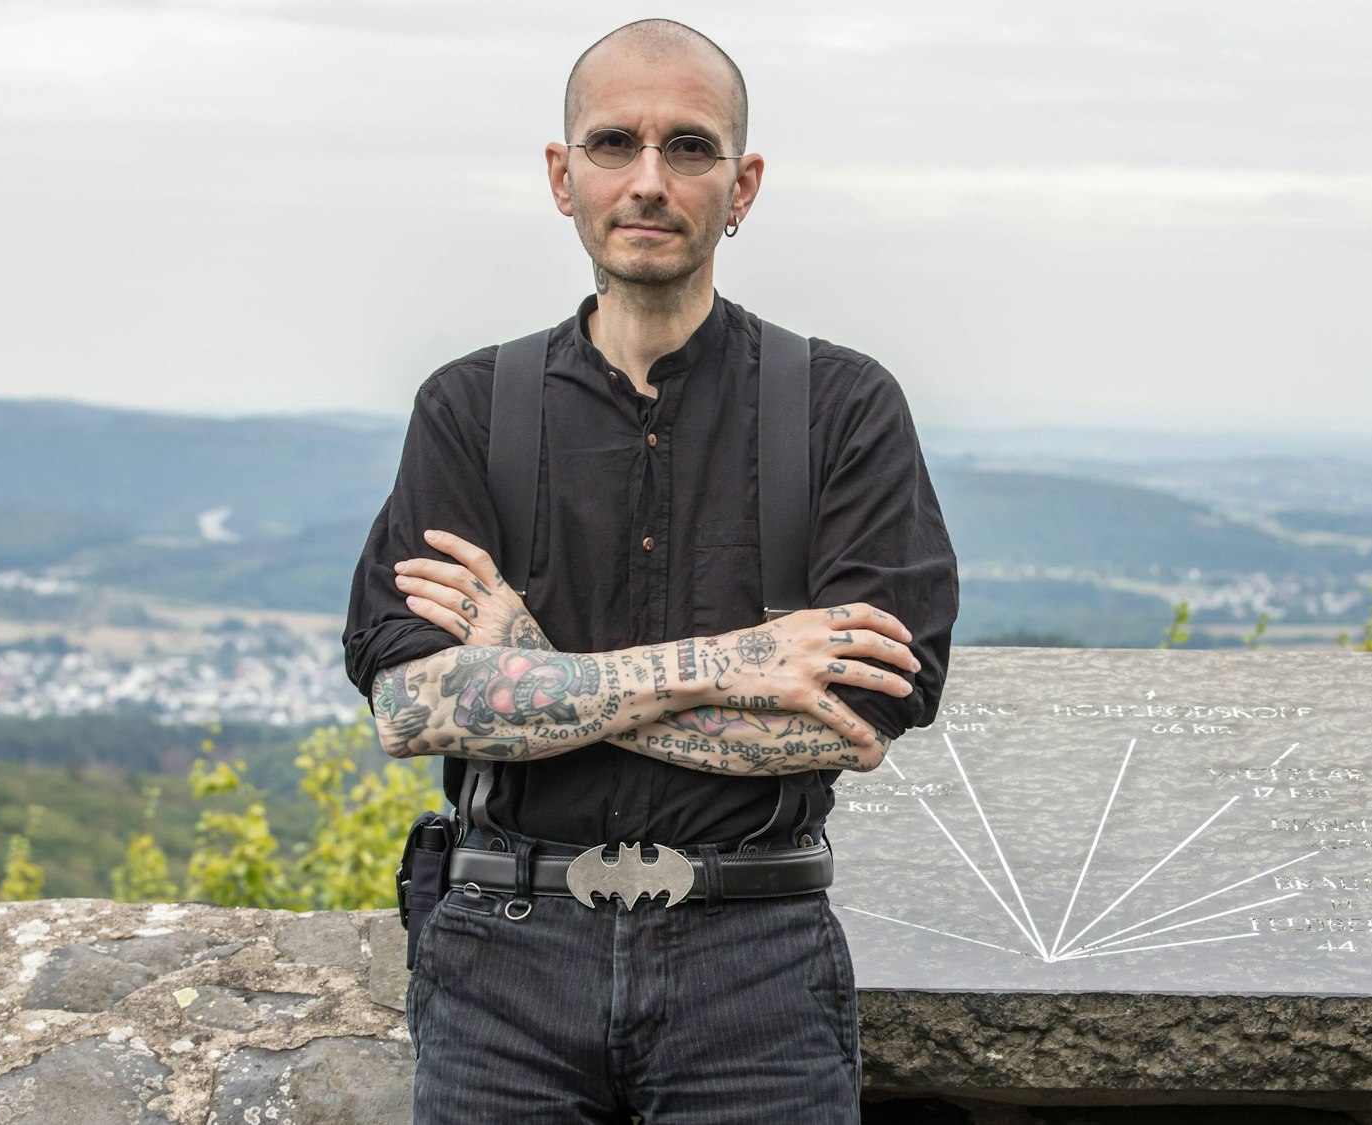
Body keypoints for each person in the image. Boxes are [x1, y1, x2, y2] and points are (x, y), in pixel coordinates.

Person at [339, 18, 959, 1124]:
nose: (647, 181)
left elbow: (853, 720)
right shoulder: (469, 409)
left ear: (742, 183)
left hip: (753, 960)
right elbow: (412, 705)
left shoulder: (842, 408)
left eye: (689, 148)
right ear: (560, 174)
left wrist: (533, 675)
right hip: (504, 961)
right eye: (614, 143)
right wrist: (740, 660)